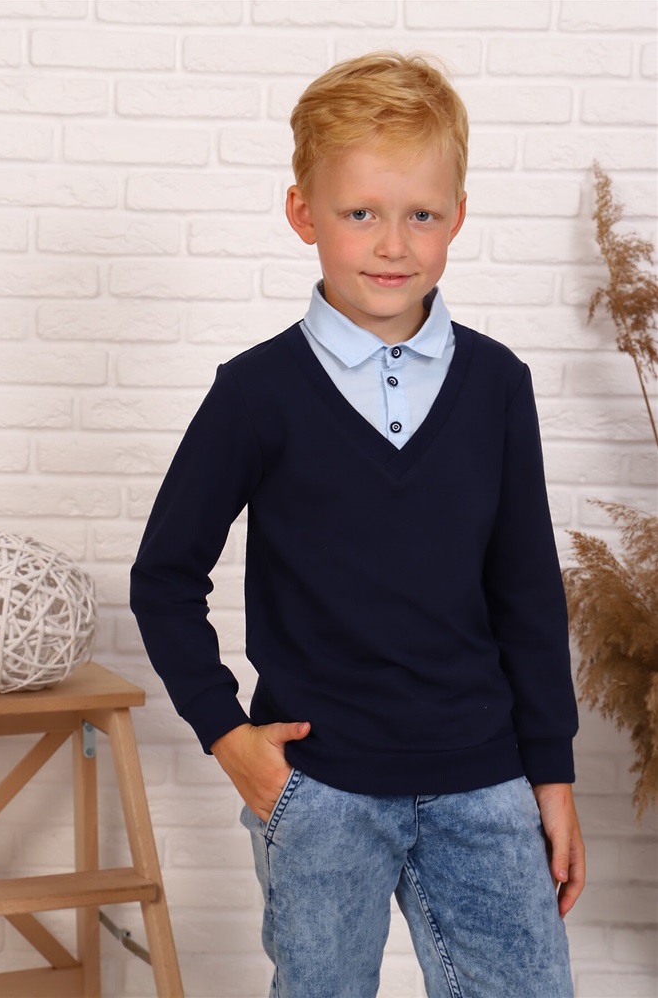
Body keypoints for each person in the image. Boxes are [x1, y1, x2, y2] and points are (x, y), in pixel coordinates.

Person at [130, 52, 585, 998]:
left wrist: (550, 773)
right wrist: (227, 735)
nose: (392, 244)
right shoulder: (256, 393)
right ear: (303, 214)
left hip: (485, 781)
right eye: (360, 213)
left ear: (457, 215)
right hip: (320, 790)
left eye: (421, 214)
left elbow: (527, 593)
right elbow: (165, 577)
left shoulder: (496, 385)